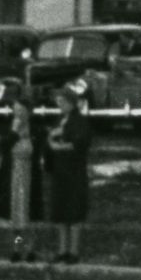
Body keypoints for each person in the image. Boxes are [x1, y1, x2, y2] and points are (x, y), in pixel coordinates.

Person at [0, 90, 48, 261]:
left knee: (30, 217)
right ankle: (17, 248)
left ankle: (30, 249)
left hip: (29, 176)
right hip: (13, 177)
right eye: (15, 110)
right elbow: (4, 147)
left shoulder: (37, 130)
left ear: (28, 112)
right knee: (16, 219)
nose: (18, 114)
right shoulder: (9, 129)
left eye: (21, 111)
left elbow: (42, 152)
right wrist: (14, 132)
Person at [48, 78, 93, 263]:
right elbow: (51, 139)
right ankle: (62, 250)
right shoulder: (59, 120)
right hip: (60, 171)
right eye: (58, 101)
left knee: (74, 213)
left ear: (70, 102)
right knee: (60, 212)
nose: (59, 104)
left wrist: (60, 144)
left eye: (62, 101)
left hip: (74, 171)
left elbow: (79, 143)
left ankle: (73, 252)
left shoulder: (79, 121)